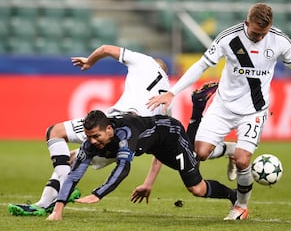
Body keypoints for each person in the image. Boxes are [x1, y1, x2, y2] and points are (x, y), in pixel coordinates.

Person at [147, 3, 291, 220]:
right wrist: (172, 92)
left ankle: (240, 206)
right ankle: (231, 150)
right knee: (199, 154)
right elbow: (201, 66)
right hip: (223, 107)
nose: (260, 37)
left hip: (254, 111)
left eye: (264, 33)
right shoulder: (229, 38)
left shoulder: (280, 40)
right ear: (246, 23)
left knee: (244, 161)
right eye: (255, 32)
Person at [8, 45, 170, 216]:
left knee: (54, 132)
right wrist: (148, 183)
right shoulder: (168, 96)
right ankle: (45, 204)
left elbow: (106, 49)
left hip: (112, 123)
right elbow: (159, 149)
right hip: (126, 141)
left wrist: (89, 61)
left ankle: (62, 190)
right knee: (70, 158)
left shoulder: (144, 61)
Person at [46, 110, 237, 220]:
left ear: (109, 129)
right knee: (196, 168)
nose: (92, 141)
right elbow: (74, 175)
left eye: (96, 136)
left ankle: (197, 109)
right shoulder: (91, 143)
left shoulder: (125, 135)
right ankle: (235, 194)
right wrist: (58, 209)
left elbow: (123, 168)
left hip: (171, 135)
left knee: (197, 186)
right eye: (89, 137)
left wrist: (98, 194)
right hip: (155, 146)